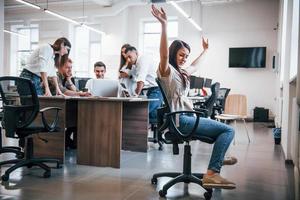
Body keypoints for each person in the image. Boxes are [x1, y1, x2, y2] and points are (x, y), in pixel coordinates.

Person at [151, 5, 236, 189]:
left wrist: (205, 51)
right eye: (181, 55)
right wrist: (164, 25)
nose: (184, 58)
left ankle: (218, 159)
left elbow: (195, 66)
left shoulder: (181, 72)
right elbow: (163, 54)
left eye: (186, 56)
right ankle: (213, 173)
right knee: (228, 131)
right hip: (182, 120)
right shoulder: (167, 71)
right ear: (174, 54)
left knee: (223, 132)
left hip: (186, 117)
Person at [125, 46, 163, 123]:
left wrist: (135, 95)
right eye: (127, 58)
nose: (128, 60)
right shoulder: (135, 65)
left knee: (141, 113)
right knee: (151, 116)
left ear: (136, 53)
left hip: (157, 89)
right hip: (151, 89)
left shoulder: (142, 60)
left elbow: (141, 81)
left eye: (130, 57)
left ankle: (169, 118)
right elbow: (132, 78)